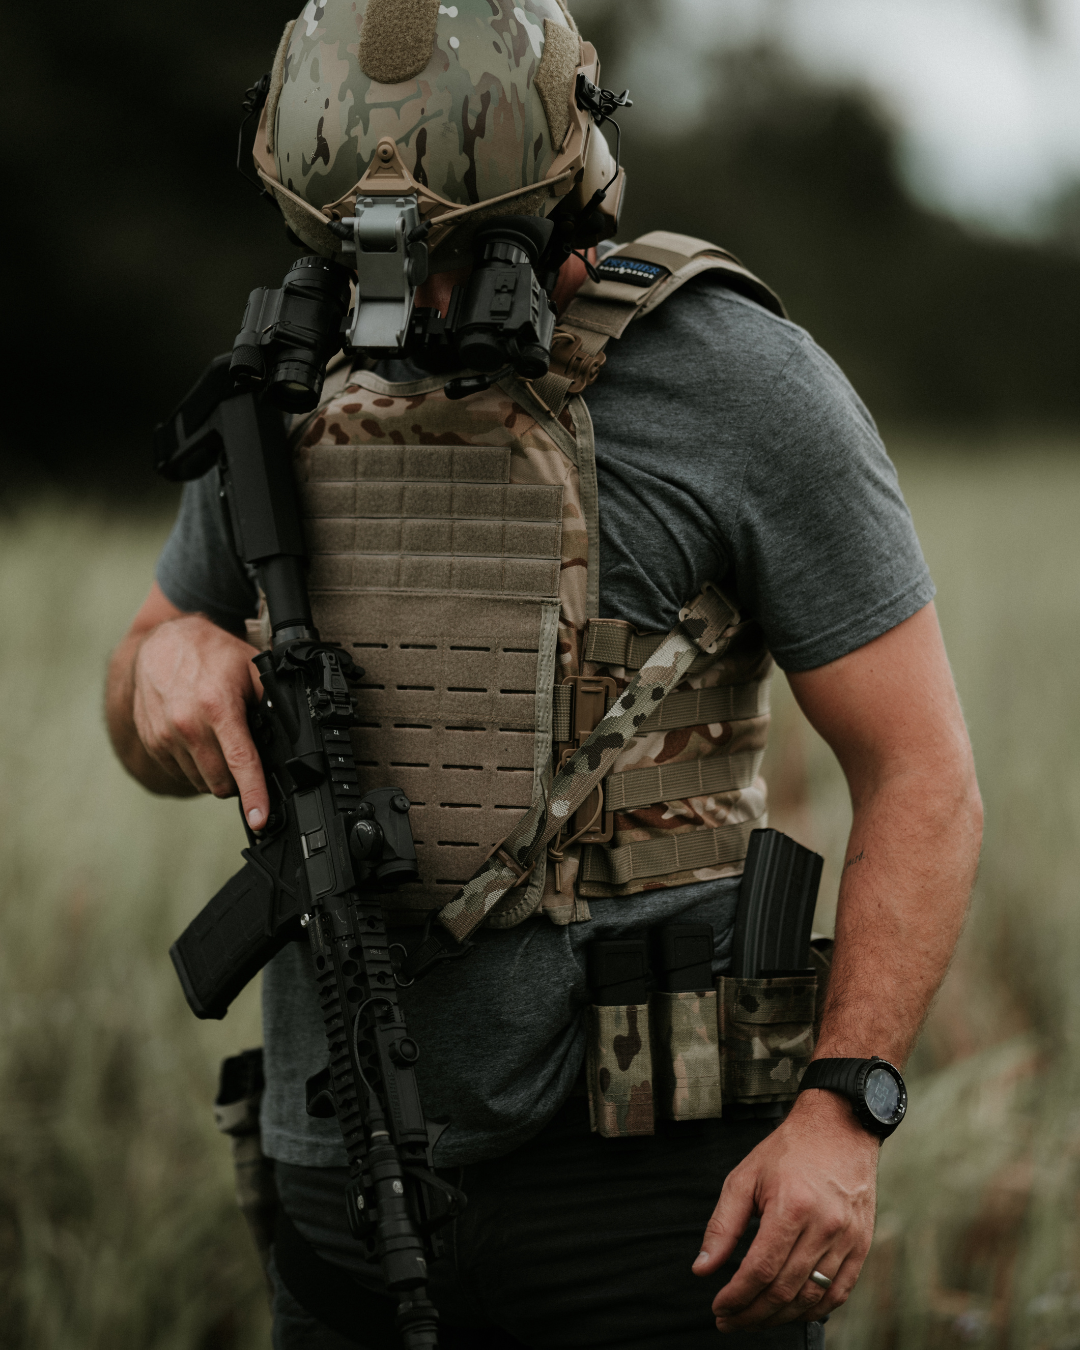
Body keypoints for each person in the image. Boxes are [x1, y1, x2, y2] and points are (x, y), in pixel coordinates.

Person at [106, 1, 982, 1346]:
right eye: (371, 255)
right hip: (334, 1164)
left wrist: (841, 1108)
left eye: (468, 250)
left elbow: (921, 772)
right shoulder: (282, 383)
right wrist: (166, 666)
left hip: (653, 1199)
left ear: (564, 196)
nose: (416, 299)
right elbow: (141, 675)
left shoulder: (737, 381)